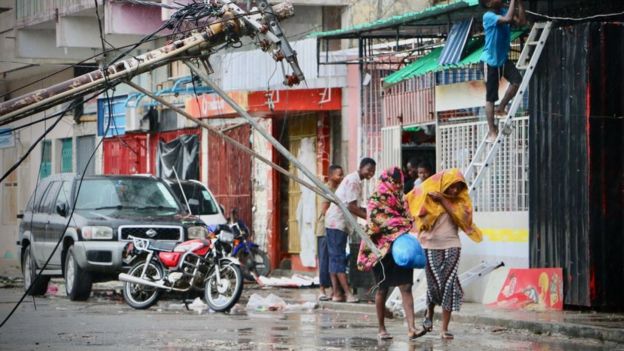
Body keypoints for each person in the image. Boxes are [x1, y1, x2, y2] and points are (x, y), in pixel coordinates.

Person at [406, 169, 483, 340]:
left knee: (448, 284)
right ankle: (429, 314)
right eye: (452, 187)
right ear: (444, 184)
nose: (455, 191)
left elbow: (463, 219)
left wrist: (444, 200)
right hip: (429, 245)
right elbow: (410, 204)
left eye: (458, 187)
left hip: (452, 245)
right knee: (434, 285)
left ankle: (444, 328)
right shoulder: (428, 194)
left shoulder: (461, 202)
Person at [357, 166, 426, 340]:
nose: (397, 186)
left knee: (406, 287)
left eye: (399, 183)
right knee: (382, 288)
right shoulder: (375, 199)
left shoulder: (401, 200)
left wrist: (404, 224)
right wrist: (400, 223)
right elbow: (376, 223)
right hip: (380, 251)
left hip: (400, 249)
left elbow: (409, 219)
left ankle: (412, 328)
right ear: (387, 182)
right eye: (394, 182)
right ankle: (381, 328)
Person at [324, 157, 376, 303]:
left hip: (338, 223)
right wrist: (370, 218)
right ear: (361, 167)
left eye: (373, 171)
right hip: (337, 223)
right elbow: (351, 207)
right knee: (338, 259)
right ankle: (347, 294)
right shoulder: (353, 181)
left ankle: (337, 294)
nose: (370, 174)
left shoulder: (355, 180)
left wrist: (369, 213)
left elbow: (355, 207)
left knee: (335, 258)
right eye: (369, 170)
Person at [480, 0, 527, 142]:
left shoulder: (502, 12)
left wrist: (520, 3)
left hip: (502, 59)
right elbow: (507, 19)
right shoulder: (488, 16)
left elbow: (522, 22)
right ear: (488, 3)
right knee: (491, 97)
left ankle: (501, 107)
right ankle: (492, 130)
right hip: (490, 62)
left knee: (517, 81)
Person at [316, 164, 344, 301]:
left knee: (333, 259)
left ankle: (334, 290)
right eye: (339, 174)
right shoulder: (326, 189)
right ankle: (322, 289)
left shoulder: (339, 189)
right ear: (331, 175)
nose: (342, 177)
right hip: (325, 229)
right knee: (324, 260)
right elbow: (324, 210)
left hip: (335, 227)